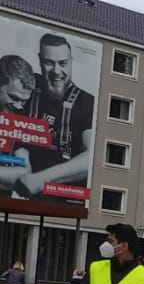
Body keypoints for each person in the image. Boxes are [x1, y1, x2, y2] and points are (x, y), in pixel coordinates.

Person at [13, 34, 94, 201]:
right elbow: (15, 133)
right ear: (39, 60)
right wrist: (24, 169)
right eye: (49, 63)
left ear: (71, 61)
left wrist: (39, 180)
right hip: (23, 194)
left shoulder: (87, 102)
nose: (57, 71)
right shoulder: (28, 87)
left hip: (68, 200)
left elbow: (90, 157)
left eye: (63, 63)